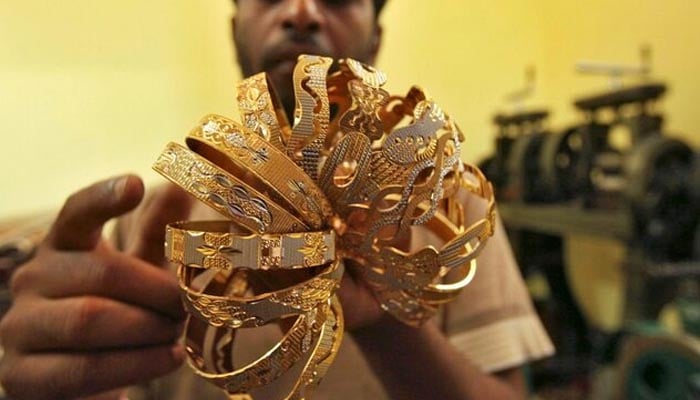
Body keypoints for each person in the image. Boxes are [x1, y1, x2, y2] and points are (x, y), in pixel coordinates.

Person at [0, 0, 554, 399]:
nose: (303, 11)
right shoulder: (151, 221)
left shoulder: (448, 208)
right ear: (234, 26)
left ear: (376, 37)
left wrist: (383, 315)